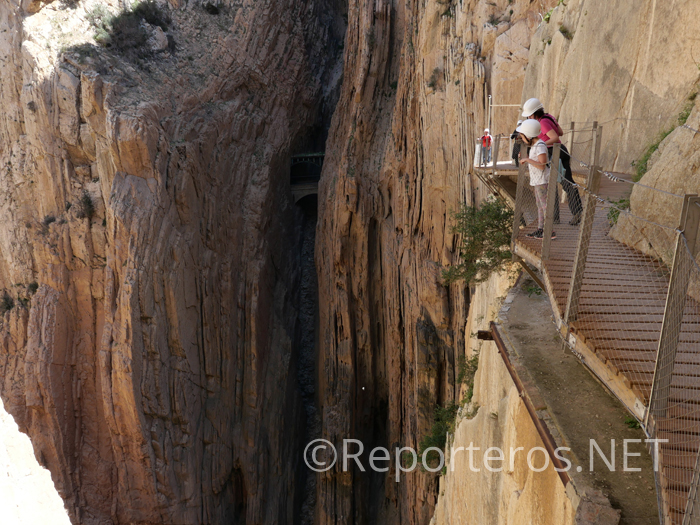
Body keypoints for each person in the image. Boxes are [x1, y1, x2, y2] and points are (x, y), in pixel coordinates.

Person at [522, 97, 582, 225]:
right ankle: (576, 212)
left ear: (533, 114)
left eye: (528, 116)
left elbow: (554, 137)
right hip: (561, 151)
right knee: (568, 183)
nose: (528, 119)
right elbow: (560, 132)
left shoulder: (541, 123)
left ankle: (557, 217)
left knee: (555, 185)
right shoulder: (549, 117)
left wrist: (540, 144)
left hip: (555, 153)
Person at [517, 119, 556, 240]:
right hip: (537, 180)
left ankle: (550, 231)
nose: (522, 139)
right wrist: (526, 158)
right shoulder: (535, 145)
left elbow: (541, 165)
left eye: (522, 136)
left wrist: (527, 160)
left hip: (542, 180)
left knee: (544, 206)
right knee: (539, 205)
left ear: (528, 135)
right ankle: (541, 229)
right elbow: (537, 162)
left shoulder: (540, 145)